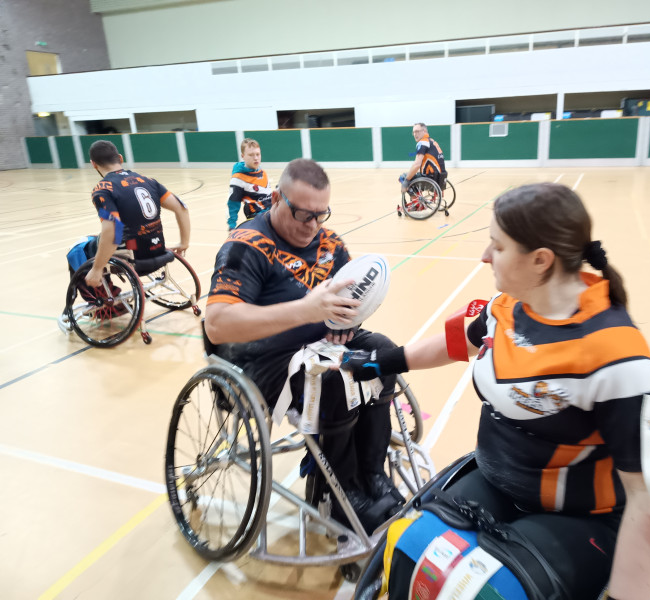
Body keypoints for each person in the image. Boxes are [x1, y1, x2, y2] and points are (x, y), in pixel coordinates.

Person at [341, 183, 650, 599]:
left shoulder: (620, 360)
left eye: (496, 246)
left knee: (488, 593)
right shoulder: (508, 308)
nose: (483, 255)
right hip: (498, 482)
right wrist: (382, 361)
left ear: (540, 260)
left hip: (582, 517)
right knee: (405, 553)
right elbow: (457, 341)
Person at [205, 158, 404, 534]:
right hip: (265, 358)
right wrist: (304, 310)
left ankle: (372, 474)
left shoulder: (330, 243)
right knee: (333, 383)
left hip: (322, 344)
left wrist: (349, 323)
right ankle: (341, 491)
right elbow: (216, 325)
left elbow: (354, 301)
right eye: (302, 215)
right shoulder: (246, 245)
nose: (312, 226)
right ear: (277, 197)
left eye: (320, 214)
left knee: (383, 353)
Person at [62, 140, 190, 311]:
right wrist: (184, 243)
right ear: (120, 158)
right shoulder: (148, 180)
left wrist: (97, 268)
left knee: (77, 249)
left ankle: (103, 302)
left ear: (93, 164)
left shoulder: (103, 189)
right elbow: (181, 208)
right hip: (157, 249)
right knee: (95, 239)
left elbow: (114, 230)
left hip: (132, 255)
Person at [227, 138, 272, 231]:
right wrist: (232, 226)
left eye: (257, 154)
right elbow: (232, 203)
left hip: (271, 216)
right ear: (243, 156)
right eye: (251, 155)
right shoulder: (238, 179)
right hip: (257, 221)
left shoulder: (263, 172)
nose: (255, 158)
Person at [399, 122, 447, 195]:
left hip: (430, 178)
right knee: (413, 175)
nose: (415, 134)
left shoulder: (422, 142)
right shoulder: (432, 141)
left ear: (424, 131)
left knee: (403, 178)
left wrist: (407, 180)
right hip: (440, 177)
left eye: (417, 131)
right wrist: (441, 187)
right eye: (414, 132)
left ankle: (417, 203)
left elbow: (417, 165)